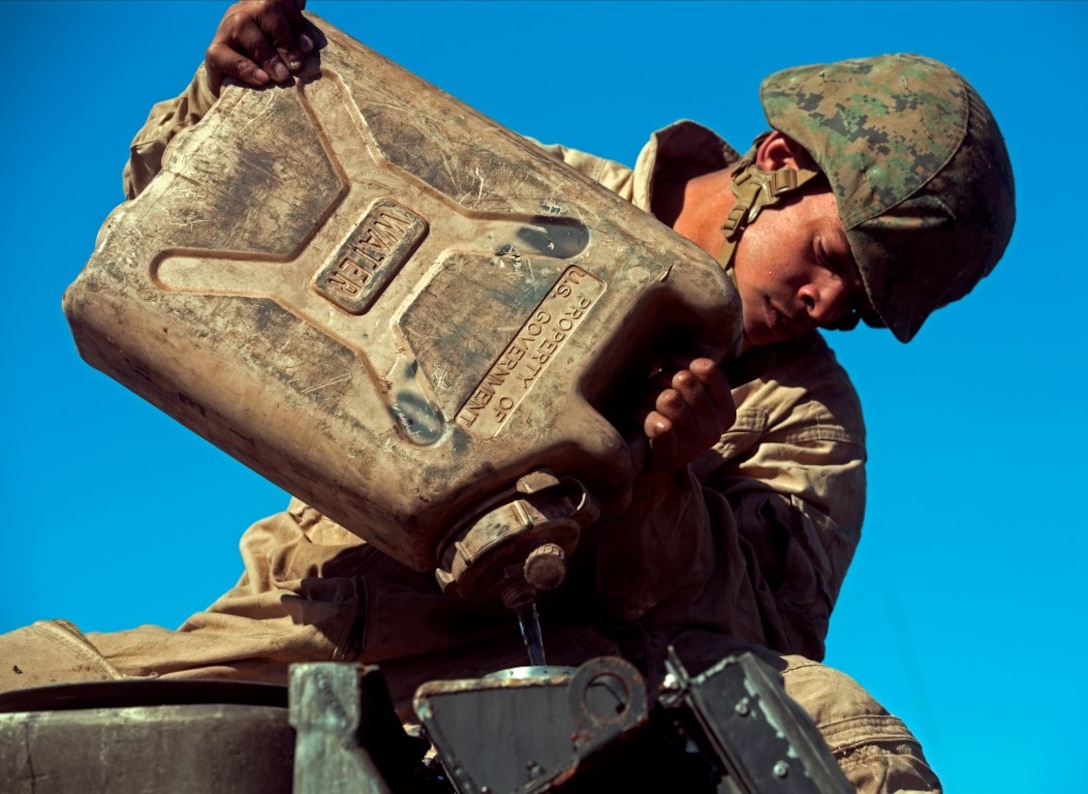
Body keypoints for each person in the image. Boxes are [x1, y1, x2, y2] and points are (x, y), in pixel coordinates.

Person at [0, 2, 1014, 791]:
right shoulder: (527, 194)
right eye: (832, 257)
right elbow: (196, 236)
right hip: (334, 623)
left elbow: (759, 649)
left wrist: (664, 480)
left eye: (857, 309)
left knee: (840, 743)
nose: (823, 302)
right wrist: (227, 90)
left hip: (598, 684)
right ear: (779, 162)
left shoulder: (804, 415)